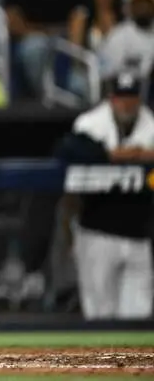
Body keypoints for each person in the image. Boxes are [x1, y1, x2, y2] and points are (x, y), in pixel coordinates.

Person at [64, 73, 154, 319]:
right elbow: (67, 151)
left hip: (140, 237)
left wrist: (145, 156)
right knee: (99, 315)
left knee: (138, 316)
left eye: (132, 98)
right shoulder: (90, 124)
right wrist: (113, 155)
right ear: (111, 99)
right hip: (97, 234)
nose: (127, 104)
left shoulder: (150, 124)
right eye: (121, 98)